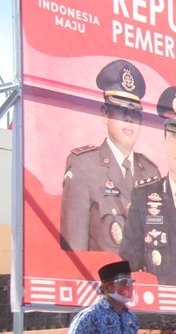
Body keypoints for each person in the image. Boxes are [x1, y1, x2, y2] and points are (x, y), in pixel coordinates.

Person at [60, 59, 160, 252]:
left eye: (134, 112)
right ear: (105, 114)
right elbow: (74, 253)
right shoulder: (84, 166)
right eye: (121, 110)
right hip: (103, 282)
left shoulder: (151, 171)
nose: (129, 119)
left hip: (146, 281)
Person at [121, 86, 176, 285]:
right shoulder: (143, 196)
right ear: (164, 142)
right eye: (174, 137)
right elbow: (129, 262)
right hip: (156, 309)